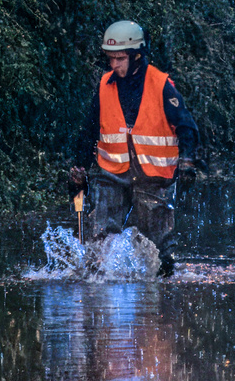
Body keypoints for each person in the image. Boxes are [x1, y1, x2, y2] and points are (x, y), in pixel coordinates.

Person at [69, 21, 199, 277]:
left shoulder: (161, 85)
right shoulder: (104, 86)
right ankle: (99, 296)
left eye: (119, 59)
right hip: (110, 173)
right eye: (110, 59)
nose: (113, 65)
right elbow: (89, 131)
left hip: (154, 177)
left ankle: (161, 298)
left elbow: (187, 127)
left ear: (137, 56)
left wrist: (187, 162)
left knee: (157, 252)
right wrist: (80, 165)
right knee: (100, 241)